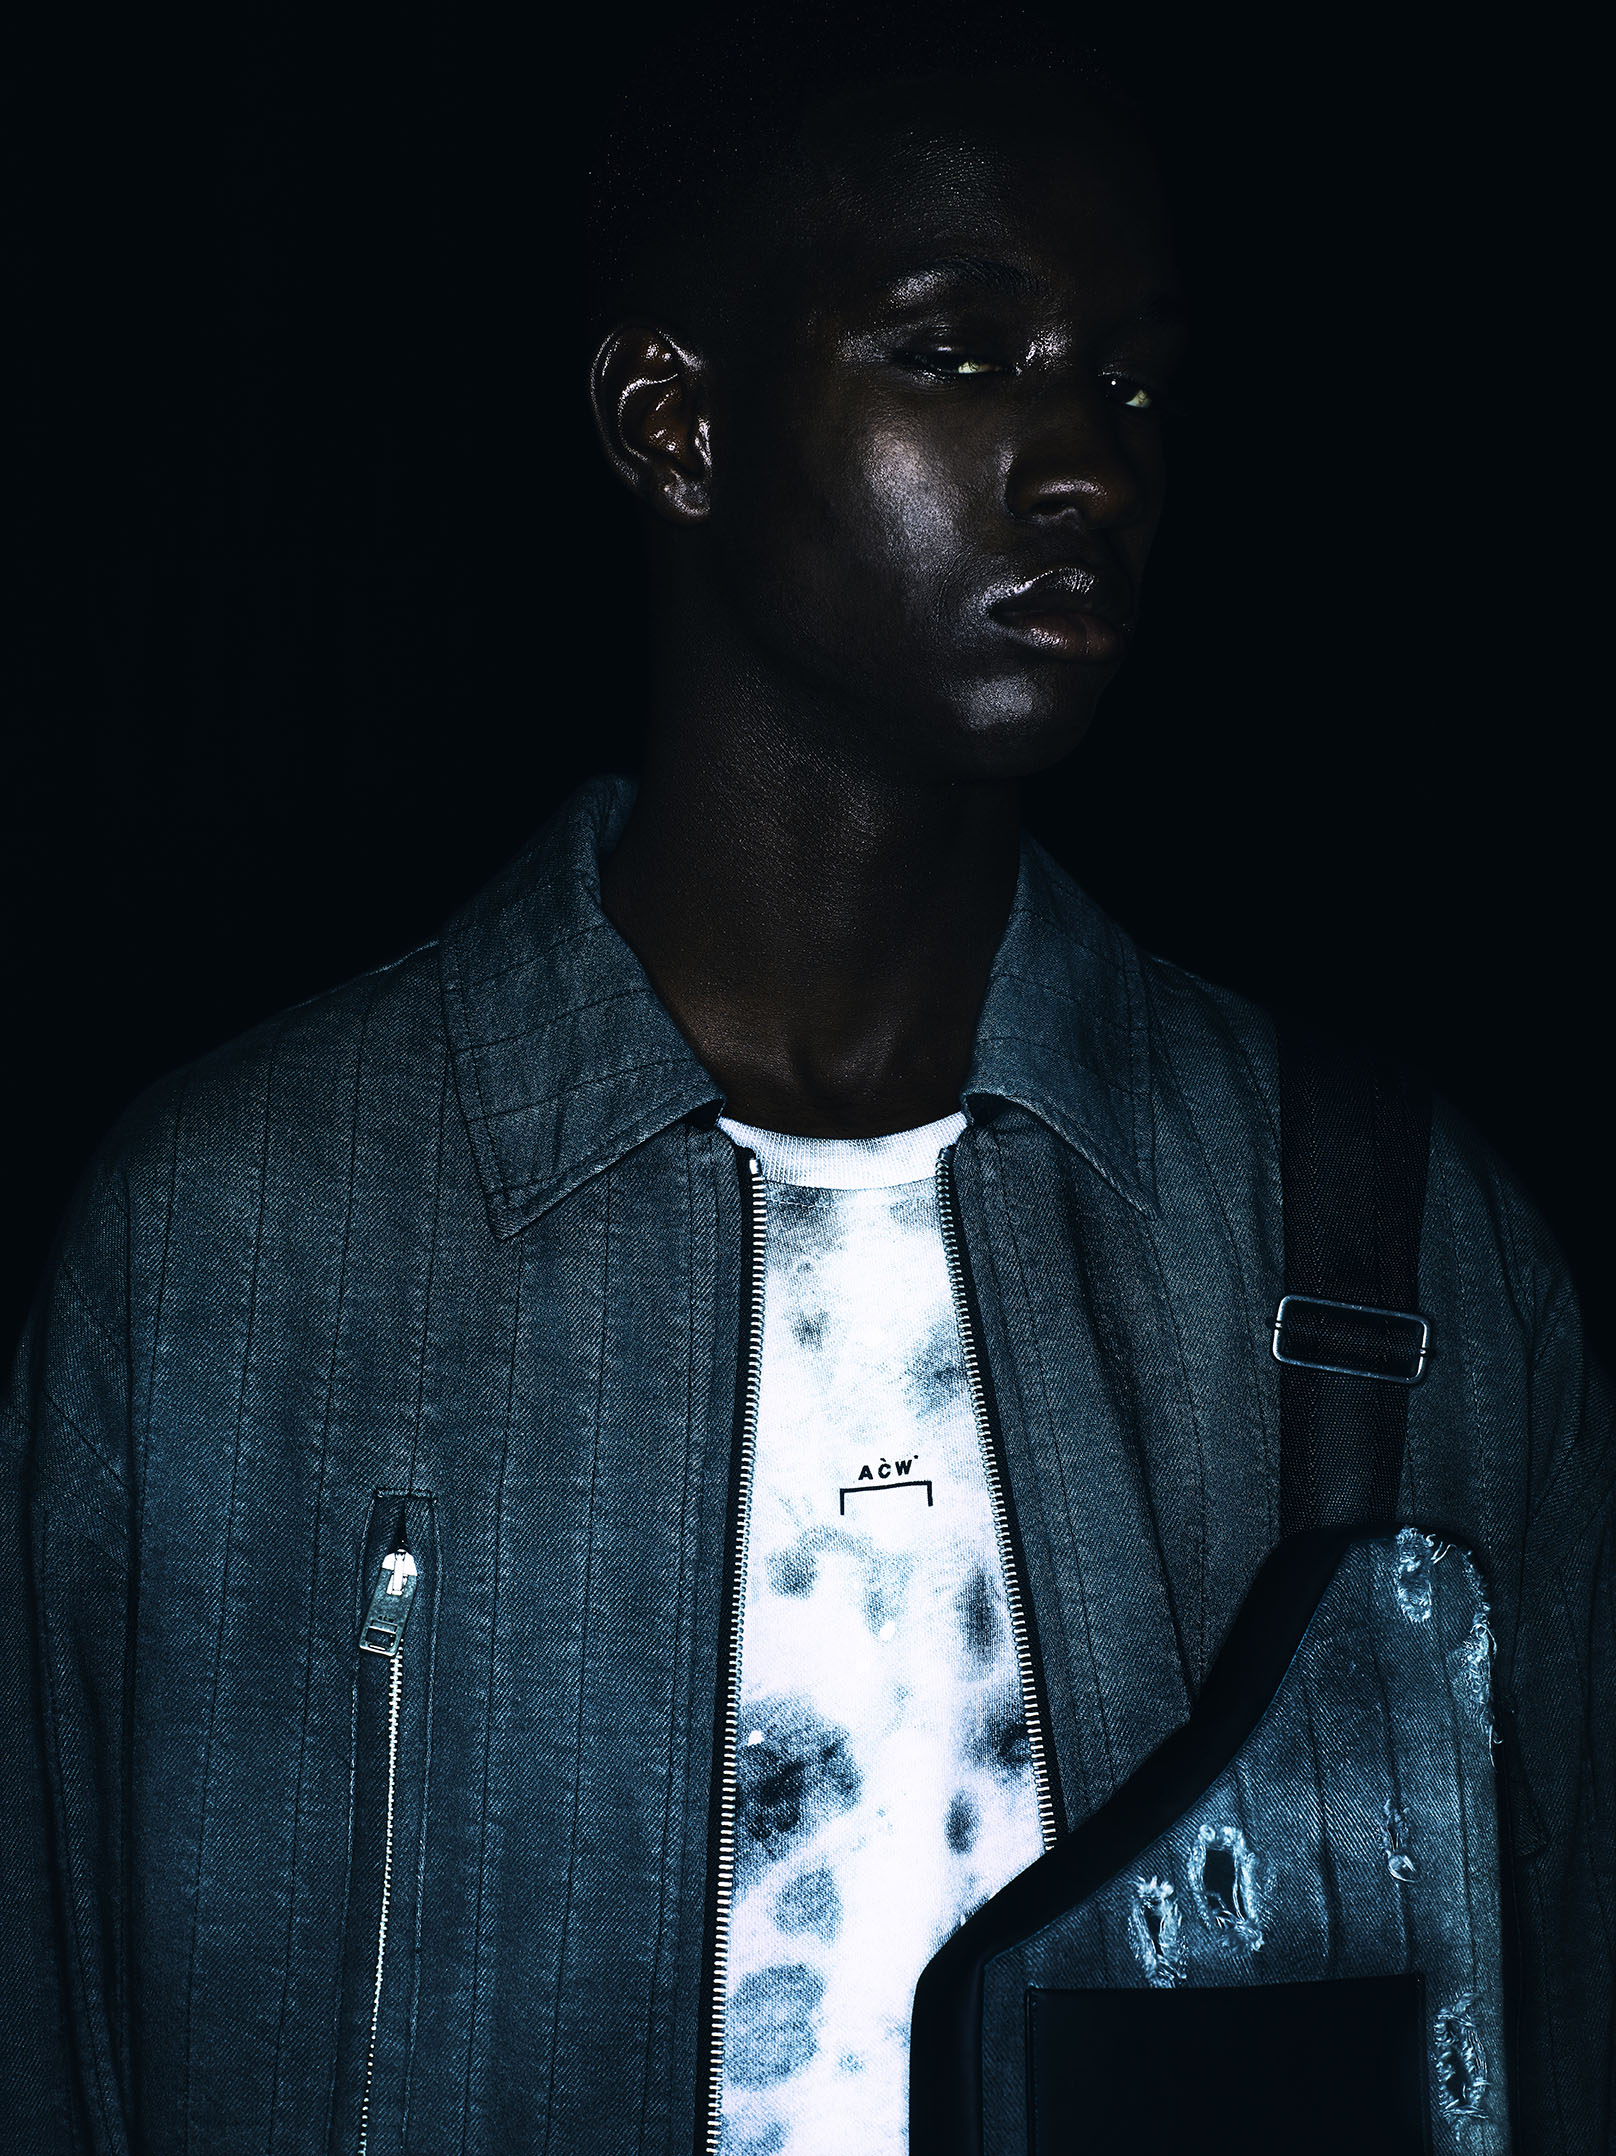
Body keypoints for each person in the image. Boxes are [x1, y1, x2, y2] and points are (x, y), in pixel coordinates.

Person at [3, 32, 1610, 2156]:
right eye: (956, 354)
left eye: (1133, 385)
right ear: (673, 424)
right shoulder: (230, 1250)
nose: (1086, 465)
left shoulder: (1402, 1253)